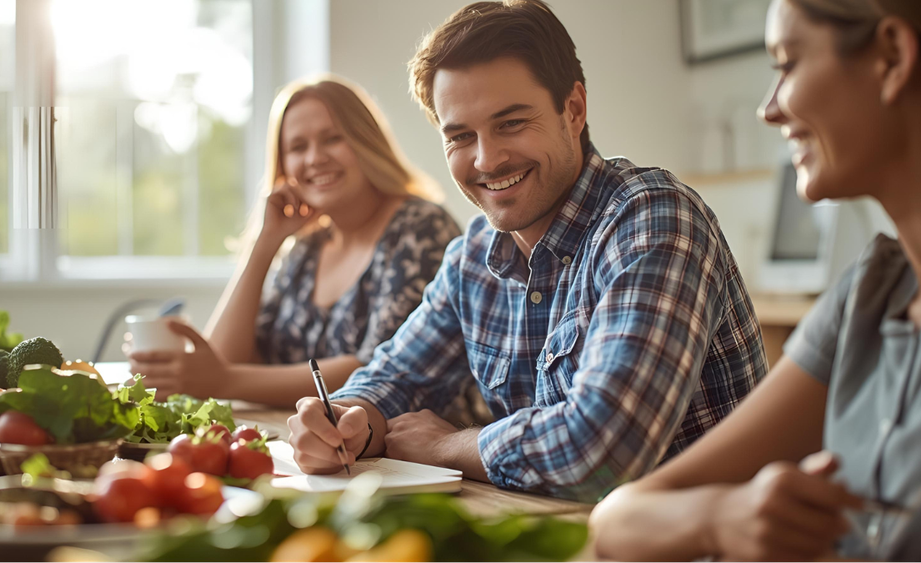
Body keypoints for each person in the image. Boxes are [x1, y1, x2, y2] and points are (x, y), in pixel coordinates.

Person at [286, 0, 767, 502]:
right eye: (461, 137)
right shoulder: (472, 256)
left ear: (573, 110)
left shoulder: (654, 219)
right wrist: (342, 423)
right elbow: (394, 377)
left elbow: (603, 450)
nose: (487, 159)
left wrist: (450, 446)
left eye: (511, 123)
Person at [589, 0, 921, 560]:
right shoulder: (871, 294)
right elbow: (618, 517)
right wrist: (721, 517)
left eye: (787, 64)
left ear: (891, 56)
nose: (768, 109)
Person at [128, 75, 462, 406]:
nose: (315, 158)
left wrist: (226, 381)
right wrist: (265, 244)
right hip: (305, 444)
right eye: (298, 147)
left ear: (366, 142)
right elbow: (224, 358)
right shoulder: (306, 248)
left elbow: (378, 372)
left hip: (411, 450)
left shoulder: (420, 228)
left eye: (332, 139)